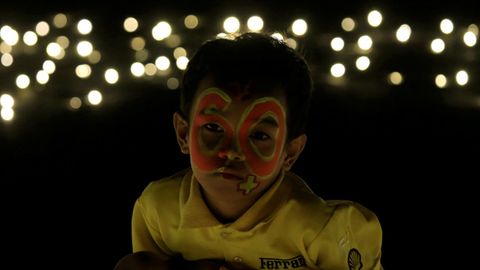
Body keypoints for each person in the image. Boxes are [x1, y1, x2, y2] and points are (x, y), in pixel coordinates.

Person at [114, 32, 383, 270]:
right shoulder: (158, 211)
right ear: (183, 133)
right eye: (214, 128)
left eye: (258, 135)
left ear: (290, 152)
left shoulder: (321, 230)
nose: (233, 152)